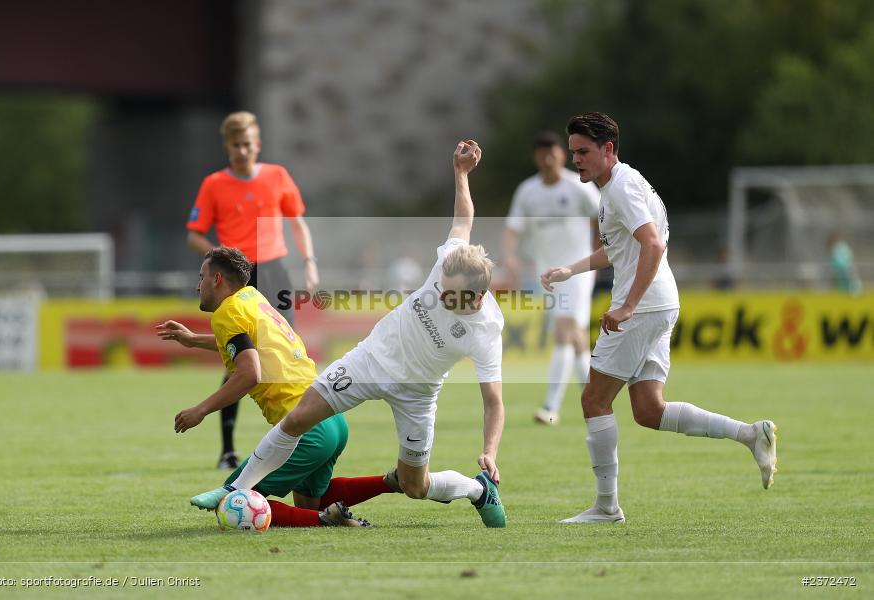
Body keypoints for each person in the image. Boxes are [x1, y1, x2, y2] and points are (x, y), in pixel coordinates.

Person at [188, 140, 508, 528]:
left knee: (415, 485)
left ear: (477, 296)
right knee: (297, 418)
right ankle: (235, 488)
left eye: (452, 294)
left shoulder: (487, 331)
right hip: (371, 358)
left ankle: (478, 491)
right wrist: (460, 173)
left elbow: (493, 401)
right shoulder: (450, 263)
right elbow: (463, 219)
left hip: (418, 393)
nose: (441, 293)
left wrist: (490, 450)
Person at [541, 113, 778, 524]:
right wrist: (571, 270)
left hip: (646, 306)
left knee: (593, 400)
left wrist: (628, 305)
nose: (575, 159)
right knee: (649, 410)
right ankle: (750, 434)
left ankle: (606, 507)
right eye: (573, 151)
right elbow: (620, 248)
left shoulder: (621, 188)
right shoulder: (621, 184)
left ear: (608, 149)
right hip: (662, 302)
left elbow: (651, 245)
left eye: (582, 151)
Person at [157, 247, 396, 528]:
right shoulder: (253, 299)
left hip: (304, 428)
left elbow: (249, 374)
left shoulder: (225, 313)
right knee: (309, 503)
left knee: (232, 500)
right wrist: (193, 339)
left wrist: (201, 410)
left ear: (217, 279)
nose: (198, 285)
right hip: (332, 419)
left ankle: (327, 518)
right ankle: (391, 483)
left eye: (202, 277)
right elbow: (246, 343)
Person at [185, 111, 320, 470]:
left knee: (285, 350)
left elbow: (298, 222)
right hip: (239, 276)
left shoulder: (277, 176)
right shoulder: (214, 183)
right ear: (227, 148)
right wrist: (219, 259)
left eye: (248, 144)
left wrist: (309, 262)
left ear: (257, 145)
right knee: (239, 358)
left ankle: (298, 432)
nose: (242, 151)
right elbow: (194, 233)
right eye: (235, 146)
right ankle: (227, 449)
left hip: (275, 271)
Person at [504, 131, 600, 425]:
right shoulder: (527, 191)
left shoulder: (579, 187)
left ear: (563, 155)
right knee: (577, 339)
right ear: (536, 157)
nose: (548, 157)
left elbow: (605, 217)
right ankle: (595, 402)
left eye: (553, 151)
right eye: (542, 152)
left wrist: (599, 253)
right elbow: (512, 228)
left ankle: (550, 407)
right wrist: (509, 257)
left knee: (563, 330)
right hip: (547, 274)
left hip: (578, 272)